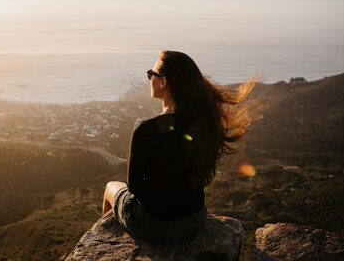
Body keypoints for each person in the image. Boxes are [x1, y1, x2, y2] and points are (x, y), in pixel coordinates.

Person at [102, 50, 261, 244]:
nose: (149, 77)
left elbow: (134, 188)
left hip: (154, 225)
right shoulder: (204, 123)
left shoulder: (145, 130)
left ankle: (105, 240)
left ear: (163, 81)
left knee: (111, 187)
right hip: (194, 219)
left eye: (151, 73)